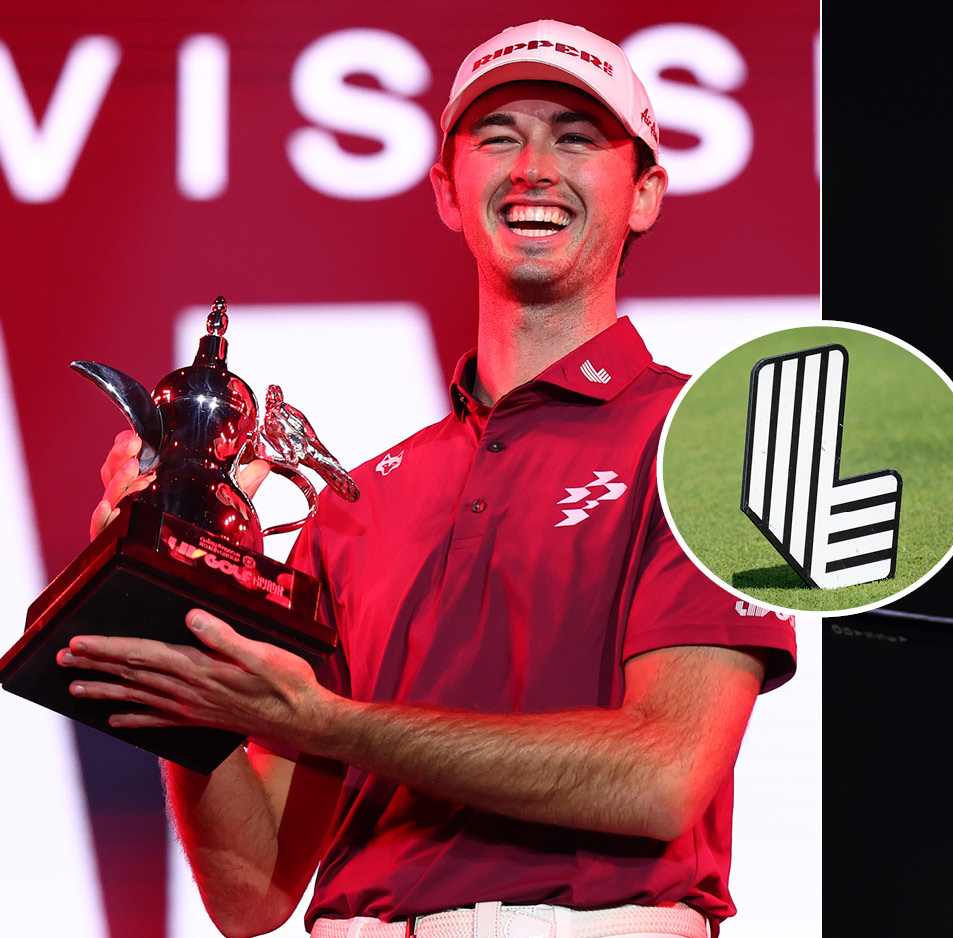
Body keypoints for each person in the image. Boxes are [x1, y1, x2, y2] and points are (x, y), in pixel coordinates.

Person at [59, 20, 796, 938]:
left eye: (575, 136)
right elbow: (252, 895)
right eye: (497, 137)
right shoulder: (356, 503)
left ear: (644, 192)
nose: (533, 166)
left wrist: (331, 724)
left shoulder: (708, 439)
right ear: (448, 190)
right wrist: (176, 615)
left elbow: (658, 776)